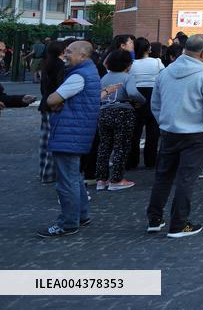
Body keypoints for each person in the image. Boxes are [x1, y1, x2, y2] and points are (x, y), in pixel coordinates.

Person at [145, 35, 203, 237]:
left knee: (163, 177)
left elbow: (156, 103)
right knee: (186, 179)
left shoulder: (166, 72)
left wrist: (165, 122)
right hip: (197, 134)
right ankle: (179, 223)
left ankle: (154, 218)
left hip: (170, 131)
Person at [36, 41, 102, 237]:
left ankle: (68, 222)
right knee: (74, 177)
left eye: (70, 52)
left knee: (66, 181)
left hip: (69, 132)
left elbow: (52, 99)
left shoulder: (79, 76)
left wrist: (53, 101)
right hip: (76, 131)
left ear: (82, 55)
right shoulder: (89, 72)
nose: (66, 55)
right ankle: (81, 215)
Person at [96, 50, 145, 191]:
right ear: (128, 65)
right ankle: (116, 179)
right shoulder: (127, 77)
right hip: (123, 112)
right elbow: (133, 93)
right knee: (121, 146)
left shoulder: (104, 78)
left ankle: (101, 179)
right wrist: (142, 101)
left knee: (104, 146)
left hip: (104, 112)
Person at [128, 37, 164, 170]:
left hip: (136, 97)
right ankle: (151, 161)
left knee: (134, 133)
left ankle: (132, 162)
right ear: (148, 49)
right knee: (153, 132)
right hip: (153, 95)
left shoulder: (131, 63)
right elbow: (163, 77)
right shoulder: (157, 62)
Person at [38, 40, 67, 184]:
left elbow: (43, 88)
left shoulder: (46, 64)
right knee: (54, 139)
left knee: (45, 140)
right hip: (55, 104)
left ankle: (44, 170)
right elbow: (61, 86)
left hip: (45, 103)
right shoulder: (61, 66)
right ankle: (50, 173)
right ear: (62, 51)